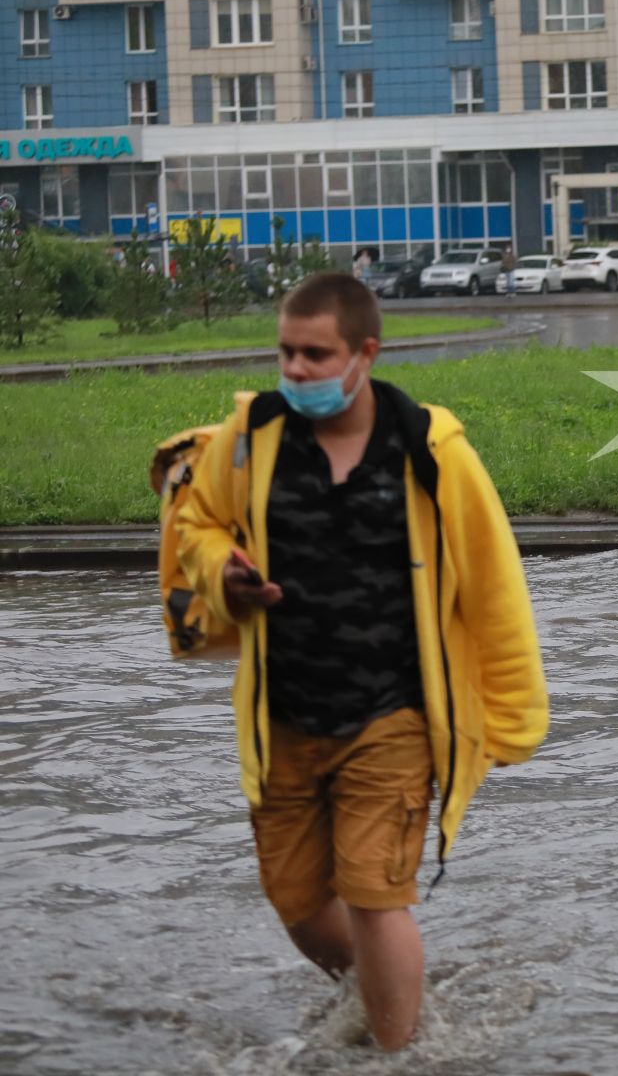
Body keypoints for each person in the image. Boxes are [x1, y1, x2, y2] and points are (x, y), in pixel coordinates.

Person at [172, 272, 548, 1051]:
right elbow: (197, 525)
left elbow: (493, 587)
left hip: (395, 715)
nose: (296, 370)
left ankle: (396, 1055)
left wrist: (514, 720)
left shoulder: (429, 452)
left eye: (316, 354)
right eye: (286, 353)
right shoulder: (252, 440)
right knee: (299, 900)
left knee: (377, 892)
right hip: (284, 716)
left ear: (363, 354)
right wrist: (222, 572)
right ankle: (392, 985)